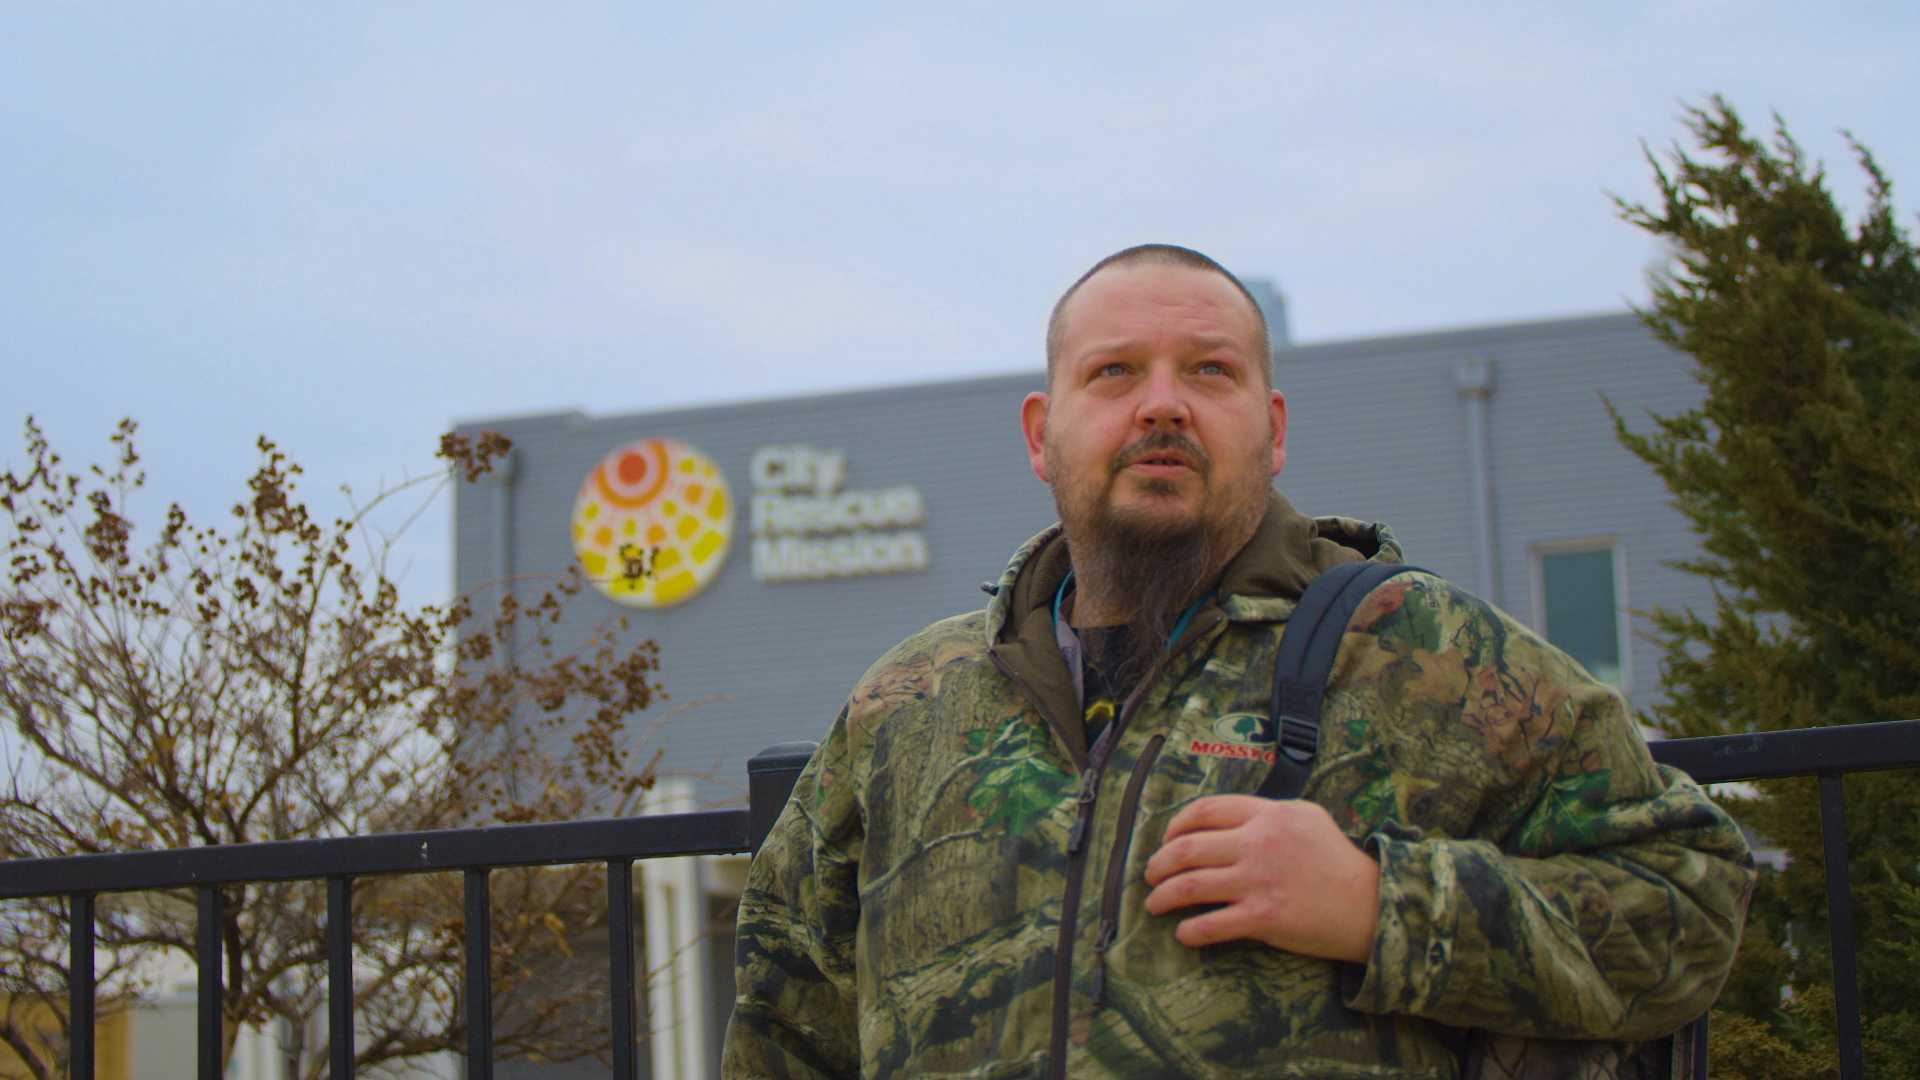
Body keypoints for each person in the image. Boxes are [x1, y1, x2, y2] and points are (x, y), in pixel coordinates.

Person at [723, 244, 1753, 1079]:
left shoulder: (1424, 654)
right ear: (1044, 433)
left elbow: (1690, 898)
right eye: (1114, 372)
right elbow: (788, 1022)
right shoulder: (910, 701)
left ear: (1272, 426)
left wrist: (1377, 906)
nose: (1162, 405)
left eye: (1210, 371)